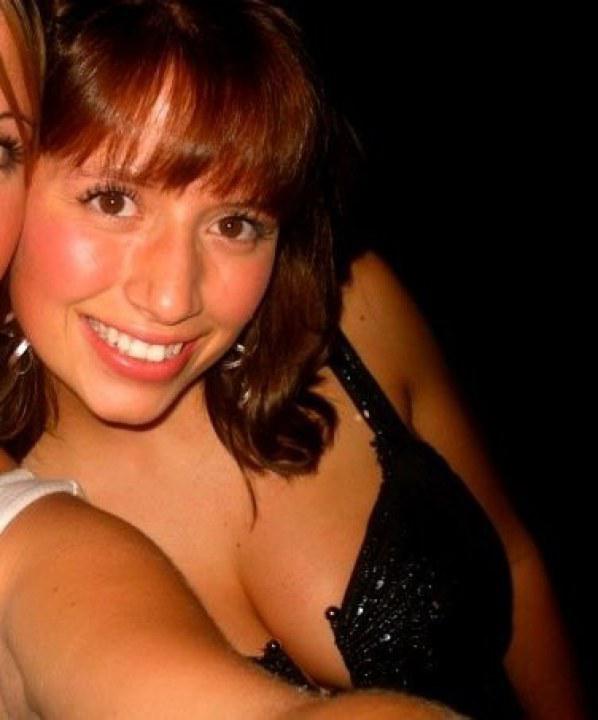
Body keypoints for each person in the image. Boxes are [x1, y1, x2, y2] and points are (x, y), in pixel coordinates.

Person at [1, 0, 586, 718]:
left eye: (235, 222)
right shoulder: (15, 512)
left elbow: (515, 561)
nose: (172, 296)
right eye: (113, 201)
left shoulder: (354, 315)